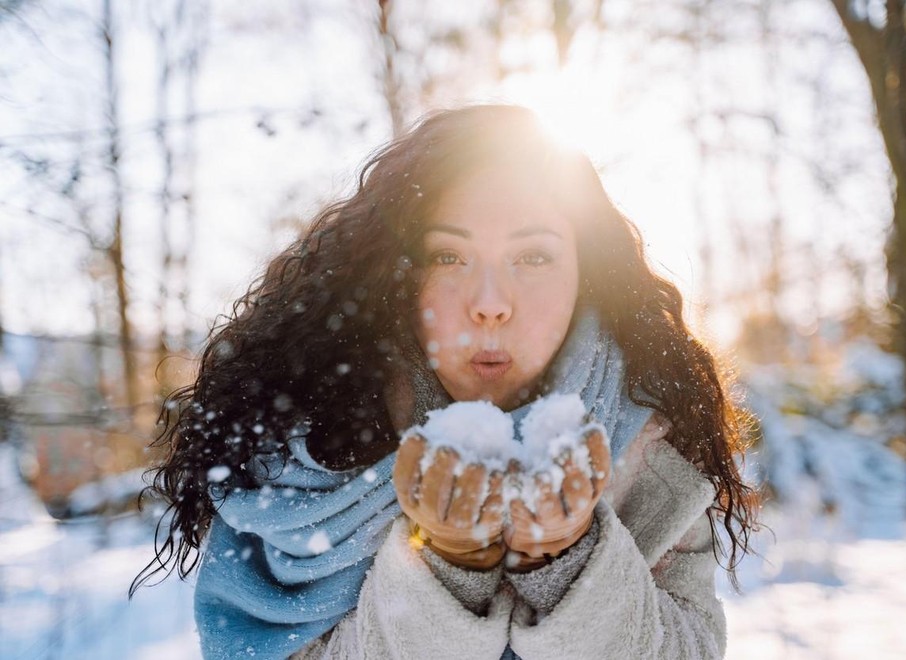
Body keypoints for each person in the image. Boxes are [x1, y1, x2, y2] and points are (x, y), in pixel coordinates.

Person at [133, 104, 758, 659]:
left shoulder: (649, 438)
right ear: (396, 272)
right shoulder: (304, 447)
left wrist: (569, 562)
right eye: (448, 256)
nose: (490, 303)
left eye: (533, 257)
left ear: (584, 272)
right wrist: (445, 567)